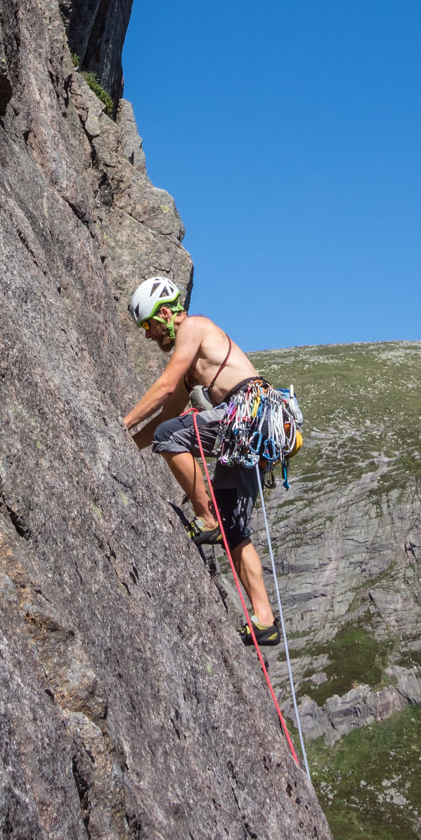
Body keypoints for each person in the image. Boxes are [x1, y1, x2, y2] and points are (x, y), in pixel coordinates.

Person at [121, 276, 279, 647]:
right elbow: (166, 420)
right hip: (250, 429)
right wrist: (127, 443)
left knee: (214, 516)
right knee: (234, 528)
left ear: (164, 314)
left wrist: (120, 423)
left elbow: (162, 391)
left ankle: (205, 518)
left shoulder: (193, 327)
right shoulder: (193, 362)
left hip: (244, 416)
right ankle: (265, 620)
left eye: (148, 325)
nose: (148, 336)